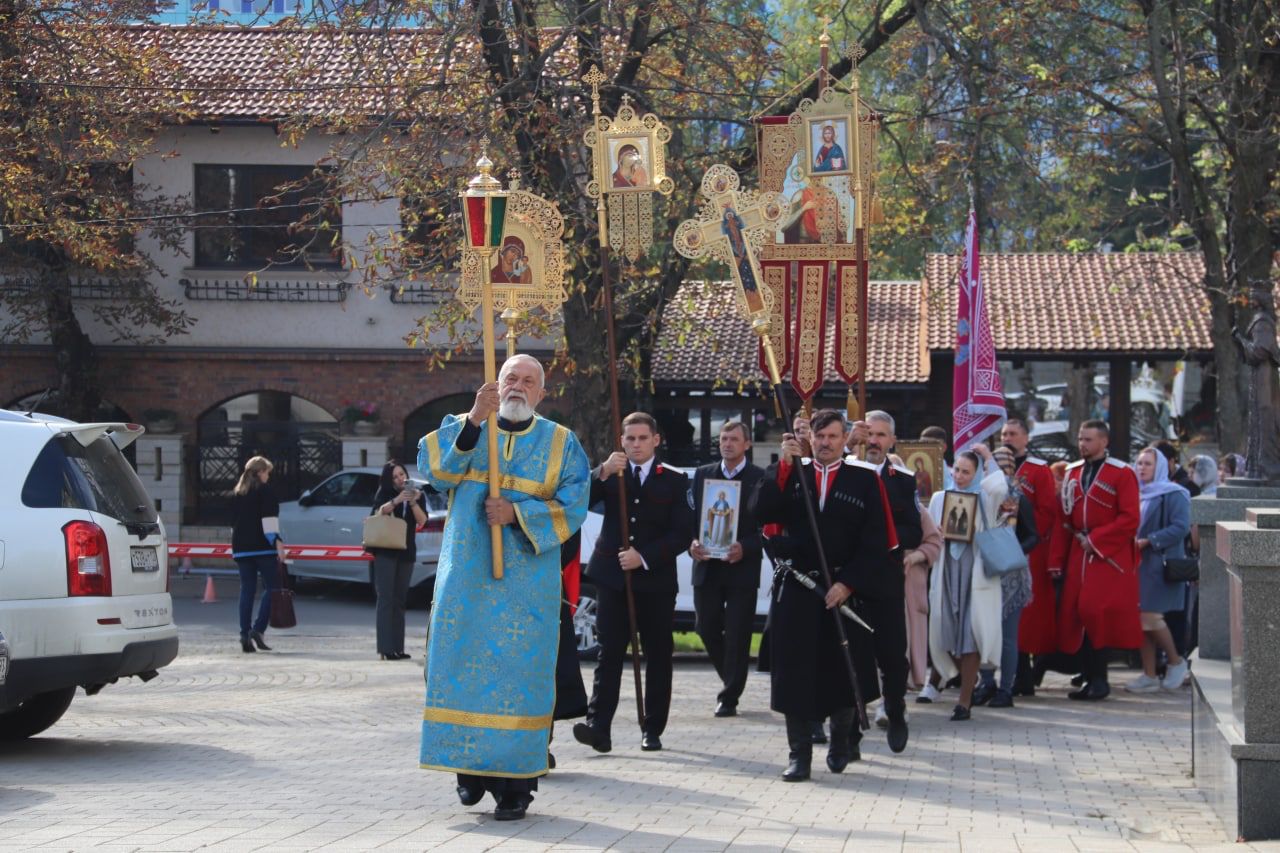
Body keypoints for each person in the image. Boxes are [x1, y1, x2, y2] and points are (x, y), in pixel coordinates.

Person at [417, 354, 590, 822]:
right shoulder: (463, 425)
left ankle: (515, 789)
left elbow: (574, 503)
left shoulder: (561, 444)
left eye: (528, 381)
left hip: (526, 590)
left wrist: (516, 514)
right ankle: (468, 774)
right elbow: (436, 474)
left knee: (521, 685)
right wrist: (475, 419)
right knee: (461, 676)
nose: (517, 386)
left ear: (541, 392)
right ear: (495, 383)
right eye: (510, 377)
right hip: (468, 584)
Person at [750, 409, 895, 781]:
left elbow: (876, 541)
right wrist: (782, 466)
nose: (826, 443)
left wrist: (848, 584)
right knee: (794, 674)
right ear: (809, 439)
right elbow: (760, 512)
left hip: (845, 590)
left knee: (842, 673)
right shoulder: (792, 474)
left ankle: (841, 740)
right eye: (820, 437)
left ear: (844, 438)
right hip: (799, 588)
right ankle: (799, 754)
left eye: (833, 436)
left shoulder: (863, 480)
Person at [574, 412, 694, 754]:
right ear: (622, 441)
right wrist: (602, 472)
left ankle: (652, 727)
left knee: (657, 655)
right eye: (630, 439)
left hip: (654, 581)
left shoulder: (673, 479)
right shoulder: (613, 473)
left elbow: (682, 533)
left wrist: (642, 556)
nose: (636, 444)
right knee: (609, 653)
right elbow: (577, 502)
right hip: (612, 578)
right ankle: (599, 726)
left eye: (643, 438)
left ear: (656, 440)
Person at [846, 411, 941, 746]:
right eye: (869, 434)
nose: (874, 441)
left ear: (892, 441)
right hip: (852, 581)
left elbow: (913, 530)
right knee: (852, 656)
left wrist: (882, 538)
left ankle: (896, 707)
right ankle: (850, 728)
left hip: (887, 579)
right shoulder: (846, 472)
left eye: (881, 435)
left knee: (891, 655)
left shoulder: (902, 480)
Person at [1048, 419, 1142, 701]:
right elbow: (1063, 521)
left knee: (1096, 613)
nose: (1082, 444)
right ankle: (1088, 676)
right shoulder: (1073, 472)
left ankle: (1100, 679)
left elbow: (1130, 518)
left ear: (1104, 442)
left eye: (1088, 439)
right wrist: (1056, 560)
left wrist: (1098, 540)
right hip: (1079, 552)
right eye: (1080, 439)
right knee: (1077, 613)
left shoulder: (1122, 473)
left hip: (1108, 555)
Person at [689, 421, 764, 718]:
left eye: (734, 439)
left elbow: (767, 528)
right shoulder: (703, 474)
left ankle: (730, 696)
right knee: (704, 625)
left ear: (747, 444)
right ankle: (731, 676)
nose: (727, 444)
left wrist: (746, 546)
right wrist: (692, 542)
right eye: (723, 438)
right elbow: (690, 517)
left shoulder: (760, 478)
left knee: (737, 632)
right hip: (707, 563)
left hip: (740, 566)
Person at [926, 445, 1007, 721]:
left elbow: (999, 488)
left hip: (974, 572)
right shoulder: (940, 498)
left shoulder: (984, 499)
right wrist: (936, 532)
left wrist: (987, 457)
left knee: (970, 634)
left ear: (976, 474)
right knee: (945, 633)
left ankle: (964, 701)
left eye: (966, 472)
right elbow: (930, 530)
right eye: (957, 470)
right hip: (947, 570)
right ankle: (966, 681)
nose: (959, 476)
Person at [973, 445, 1038, 708]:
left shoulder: (1017, 496)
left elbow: (1033, 535)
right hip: (985, 572)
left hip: (1011, 574)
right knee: (983, 631)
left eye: (997, 466)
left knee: (1008, 636)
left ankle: (1006, 689)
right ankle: (986, 682)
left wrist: (1010, 552)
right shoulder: (980, 495)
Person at [1124, 447, 1193, 693]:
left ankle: (1175, 661)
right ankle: (1149, 674)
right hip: (1139, 566)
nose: (1142, 468)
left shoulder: (1174, 493)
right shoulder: (1137, 493)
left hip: (1159, 564)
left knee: (1151, 617)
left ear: (1160, 467)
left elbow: (1181, 527)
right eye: (1140, 463)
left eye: (1148, 464)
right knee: (1142, 620)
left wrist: (1150, 540)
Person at [999, 418, 1059, 696]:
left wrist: (1025, 537)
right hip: (998, 550)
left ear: (1025, 438)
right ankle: (1015, 676)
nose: (1007, 438)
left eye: (1013, 433)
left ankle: (1026, 676)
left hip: (1027, 550)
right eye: (1003, 434)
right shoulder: (994, 469)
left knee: (1025, 617)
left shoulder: (1038, 470)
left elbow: (1047, 512)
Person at [368, 460, 427, 661]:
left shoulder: (417, 494)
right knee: (386, 599)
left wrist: (412, 501)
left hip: (406, 552)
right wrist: (397, 500)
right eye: (395, 477)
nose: (399, 479)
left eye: (401, 474)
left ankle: (398, 648)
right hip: (385, 551)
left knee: (400, 601)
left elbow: (422, 520)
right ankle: (386, 648)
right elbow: (378, 512)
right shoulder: (384, 493)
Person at [231, 455, 284, 654]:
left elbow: (233, 522)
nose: (268, 476)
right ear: (261, 472)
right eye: (267, 472)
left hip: (241, 547)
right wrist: (277, 541)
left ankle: (244, 633)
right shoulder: (266, 492)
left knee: (246, 590)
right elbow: (269, 521)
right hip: (262, 547)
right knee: (273, 588)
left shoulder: (238, 492)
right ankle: (258, 629)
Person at [920, 425, 956, 490]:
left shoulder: (955, 476)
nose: (924, 450)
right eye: (921, 445)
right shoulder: (910, 473)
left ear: (943, 448)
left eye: (930, 446)